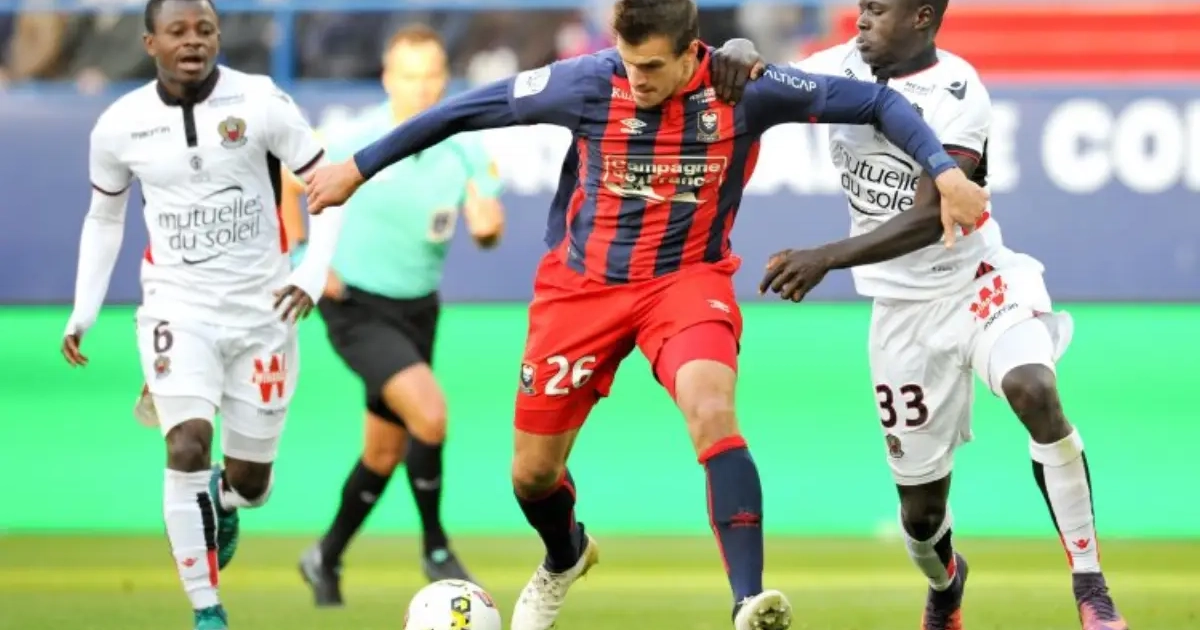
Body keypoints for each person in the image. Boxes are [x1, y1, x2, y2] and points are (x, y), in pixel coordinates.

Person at [303, 0, 989, 628]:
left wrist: (944, 170)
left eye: (653, 67)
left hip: (686, 282)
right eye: (630, 63)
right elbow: (464, 111)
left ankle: (747, 601)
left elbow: (877, 101)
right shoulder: (586, 82)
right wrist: (356, 169)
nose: (638, 80)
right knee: (532, 476)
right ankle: (565, 553)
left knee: (711, 409)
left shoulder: (743, 88)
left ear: (692, 51)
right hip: (581, 289)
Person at [709, 3, 1128, 630]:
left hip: (979, 282)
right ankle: (946, 584)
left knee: (1034, 390)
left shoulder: (959, 90)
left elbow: (938, 213)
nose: (862, 20)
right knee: (922, 515)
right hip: (902, 315)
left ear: (923, 17)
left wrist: (827, 257)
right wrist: (741, 54)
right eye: (861, 7)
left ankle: (1091, 586)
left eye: (879, 10)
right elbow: (760, 77)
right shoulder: (838, 66)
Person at [60, 1, 343, 629]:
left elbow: (330, 186)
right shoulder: (119, 125)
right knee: (187, 443)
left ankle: (228, 497)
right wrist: (84, 311)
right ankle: (206, 609)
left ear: (218, 38)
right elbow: (104, 218)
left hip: (265, 311)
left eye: (205, 30)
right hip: (177, 307)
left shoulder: (261, 102)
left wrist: (310, 272)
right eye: (178, 31)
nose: (193, 41)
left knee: (253, 482)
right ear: (150, 43)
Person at [281, 24, 506, 606]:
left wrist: (488, 228)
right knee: (430, 415)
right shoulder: (356, 135)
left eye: (431, 75)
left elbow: (487, 220)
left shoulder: (464, 143)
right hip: (355, 305)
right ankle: (436, 548)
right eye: (409, 75)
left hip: (418, 309)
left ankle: (324, 555)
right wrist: (303, 258)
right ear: (387, 79)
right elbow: (287, 181)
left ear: (445, 78)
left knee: (383, 452)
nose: (421, 87)